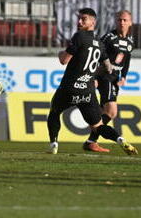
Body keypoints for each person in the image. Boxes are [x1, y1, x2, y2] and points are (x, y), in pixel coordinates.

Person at [47, 8, 138, 155]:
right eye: (79, 19)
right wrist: (96, 76)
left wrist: (60, 53)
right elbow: (107, 65)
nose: (79, 22)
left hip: (70, 87)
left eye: (83, 19)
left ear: (92, 22)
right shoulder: (102, 41)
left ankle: (54, 145)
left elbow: (64, 60)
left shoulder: (79, 36)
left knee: (54, 112)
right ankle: (120, 139)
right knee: (100, 124)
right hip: (88, 91)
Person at [83, 10, 134, 152]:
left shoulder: (130, 41)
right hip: (104, 76)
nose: (121, 22)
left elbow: (127, 60)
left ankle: (91, 140)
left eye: (124, 20)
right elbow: (96, 55)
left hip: (114, 79)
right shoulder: (109, 38)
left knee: (103, 112)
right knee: (111, 111)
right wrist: (93, 76)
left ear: (130, 22)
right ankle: (93, 136)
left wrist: (123, 77)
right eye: (119, 20)